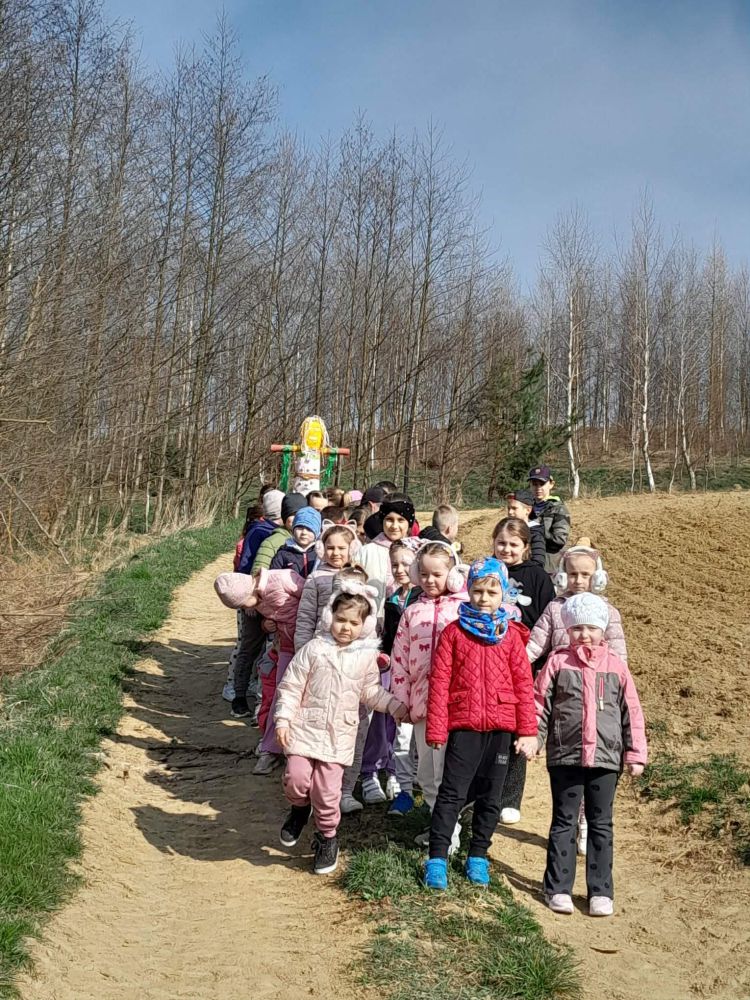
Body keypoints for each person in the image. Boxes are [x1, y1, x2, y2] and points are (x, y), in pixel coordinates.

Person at [274, 579, 409, 875]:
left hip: (339, 735)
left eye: (353, 622)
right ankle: (299, 808)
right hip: (304, 728)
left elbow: (370, 691)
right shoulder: (314, 649)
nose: (345, 627)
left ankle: (327, 837)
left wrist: (394, 705)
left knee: (326, 792)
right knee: (296, 779)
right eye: (340, 619)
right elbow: (291, 686)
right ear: (329, 617)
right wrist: (283, 719)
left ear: (365, 625)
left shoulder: (366, 657)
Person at [422, 557, 538, 890]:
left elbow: (523, 684)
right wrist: (436, 727)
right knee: (451, 792)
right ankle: (437, 858)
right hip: (464, 726)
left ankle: (478, 855)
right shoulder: (453, 633)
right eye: (477, 590)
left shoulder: (511, 636)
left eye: (492, 592)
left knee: (491, 795)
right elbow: (440, 682)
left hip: (501, 727)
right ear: (468, 591)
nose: (484, 598)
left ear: (503, 594)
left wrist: (528, 731)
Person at [534, 593, 647, 916]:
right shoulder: (557, 662)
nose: (584, 634)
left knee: (600, 823)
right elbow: (539, 703)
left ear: (603, 629)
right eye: (577, 628)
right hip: (565, 755)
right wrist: (534, 738)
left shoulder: (616, 666)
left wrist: (635, 752)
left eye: (591, 628)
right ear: (568, 630)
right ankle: (558, 888)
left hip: (606, 758)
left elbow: (631, 711)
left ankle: (600, 891)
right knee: (564, 821)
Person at [390, 541, 468, 846]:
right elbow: (399, 659)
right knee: (425, 772)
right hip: (422, 704)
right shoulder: (412, 612)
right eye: (423, 574)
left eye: (437, 574)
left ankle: (449, 836)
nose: (429, 580)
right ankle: (440, 825)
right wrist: (401, 700)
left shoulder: (464, 610)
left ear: (453, 574)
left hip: (455, 706)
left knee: (447, 772)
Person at [492, 516, 555, 825]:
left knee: (518, 727)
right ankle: (485, 792)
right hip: (490, 660)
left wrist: (540, 663)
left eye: (513, 544)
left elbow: (547, 621)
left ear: (526, 547)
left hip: (524, 664)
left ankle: (510, 797)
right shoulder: (487, 571)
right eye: (501, 543)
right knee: (492, 726)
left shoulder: (537, 576)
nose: (506, 549)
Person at [213, 568, 305, 773]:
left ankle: (301, 752)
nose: (247, 608)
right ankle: (271, 750)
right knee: (280, 696)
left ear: (250, 590)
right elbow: (270, 621)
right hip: (285, 648)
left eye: (244, 603)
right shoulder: (256, 600)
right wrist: (266, 625)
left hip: (308, 645)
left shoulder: (283, 578)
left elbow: (311, 597)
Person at [359, 538, 422, 808]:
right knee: (382, 720)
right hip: (391, 669)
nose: (399, 569)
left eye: (406, 564)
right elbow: (387, 635)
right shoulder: (393, 597)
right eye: (394, 564)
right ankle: (371, 770)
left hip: (416, 671)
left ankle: (399, 773)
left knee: (406, 728)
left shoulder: (423, 597)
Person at [293, 522, 362, 650]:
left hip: (352, 646)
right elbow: (306, 616)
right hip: (322, 643)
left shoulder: (360, 576)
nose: (335, 553)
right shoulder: (315, 578)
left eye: (341, 548)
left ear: (352, 548)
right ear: (321, 549)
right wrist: (301, 648)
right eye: (330, 548)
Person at [359, 494, 416, 614]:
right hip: (372, 619)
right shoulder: (365, 552)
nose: (394, 526)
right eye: (389, 519)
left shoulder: (418, 552)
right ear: (382, 520)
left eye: (401, 520)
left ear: (409, 522)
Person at [528, 465, 571, 573]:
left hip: (550, 567)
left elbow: (559, 540)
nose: (538, 488)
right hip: (527, 563)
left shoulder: (558, 509)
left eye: (542, 484)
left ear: (551, 484)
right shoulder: (525, 507)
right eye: (534, 484)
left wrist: (537, 529)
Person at [253, 493, 307, 571]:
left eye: (300, 514)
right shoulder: (271, 543)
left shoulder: (312, 542)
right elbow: (258, 571)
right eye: (292, 514)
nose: (297, 518)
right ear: (285, 516)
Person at [270, 506, 322, 576]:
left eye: (309, 529)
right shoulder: (283, 554)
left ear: (317, 533)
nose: (304, 532)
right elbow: (273, 576)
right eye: (300, 528)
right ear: (293, 530)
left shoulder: (320, 554)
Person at [505, 489, 546, 567]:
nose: (510, 512)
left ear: (528, 510)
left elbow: (538, 563)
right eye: (508, 508)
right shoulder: (505, 530)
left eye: (514, 508)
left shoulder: (535, 534)